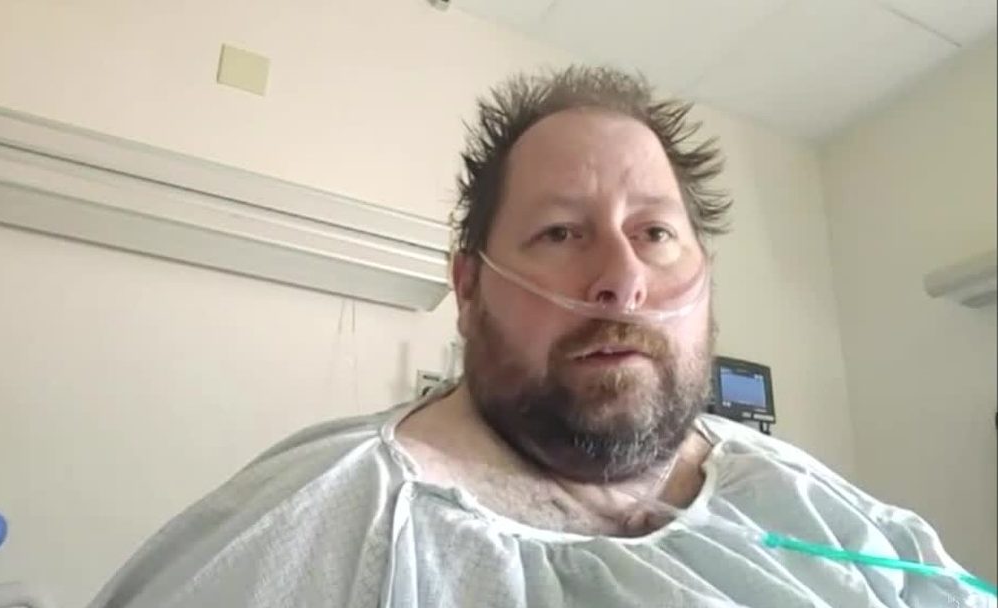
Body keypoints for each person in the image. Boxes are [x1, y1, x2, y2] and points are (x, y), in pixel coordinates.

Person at [88, 66, 991, 608]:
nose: (622, 279)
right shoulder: (316, 531)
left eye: (655, 232)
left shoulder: (824, 515)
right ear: (468, 286)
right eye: (560, 232)